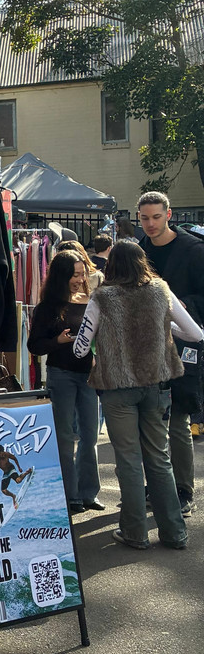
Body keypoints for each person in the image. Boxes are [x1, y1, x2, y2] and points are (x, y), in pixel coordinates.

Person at [73, 240, 202, 549]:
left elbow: (80, 348)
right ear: (143, 262)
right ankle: (175, 533)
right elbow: (196, 333)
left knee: (129, 461)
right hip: (156, 386)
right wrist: (164, 329)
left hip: (117, 389)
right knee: (159, 458)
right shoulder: (161, 291)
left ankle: (135, 532)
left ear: (112, 266)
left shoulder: (102, 297)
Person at [138, 190, 204, 518]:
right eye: (144, 218)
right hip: (146, 348)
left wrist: (179, 307)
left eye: (156, 217)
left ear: (169, 214)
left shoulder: (193, 250)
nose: (150, 223)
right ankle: (158, 485)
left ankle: (183, 491)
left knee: (178, 420)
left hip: (183, 345)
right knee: (150, 420)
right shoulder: (139, 251)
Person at [27, 250, 103, 513]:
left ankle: (88, 493)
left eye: (82, 274)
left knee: (90, 435)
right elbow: (34, 345)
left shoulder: (91, 302)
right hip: (61, 375)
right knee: (64, 437)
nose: (80, 280)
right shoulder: (47, 307)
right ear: (61, 276)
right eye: (75, 275)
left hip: (89, 376)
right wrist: (57, 341)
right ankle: (70, 495)